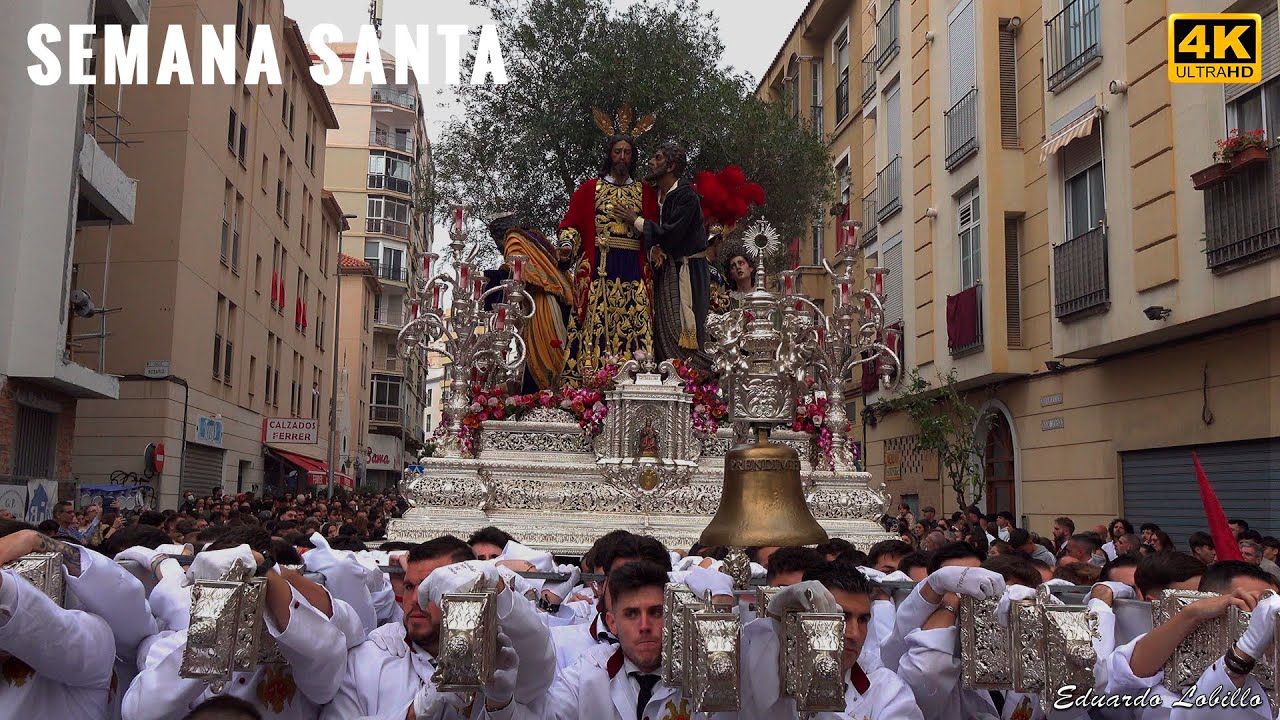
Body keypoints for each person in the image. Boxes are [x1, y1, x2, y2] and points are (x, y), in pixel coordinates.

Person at [321, 537, 551, 719]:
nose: (416, 600)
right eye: (410, 586)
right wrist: (414, 712)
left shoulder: (500, 657)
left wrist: (501, 708)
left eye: (432, 587)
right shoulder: (369, 658)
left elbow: (539, 657)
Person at [558, 134, 659, 385]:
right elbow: (571, 224)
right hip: (600, 269)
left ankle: (638, 382)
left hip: (633, 269)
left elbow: (656, 228)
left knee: (637, 323)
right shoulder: (590, 189)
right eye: (617, 152)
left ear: (633, 157)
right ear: (609, 155)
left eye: (627, 152)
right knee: (595, 325)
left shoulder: (645, 192)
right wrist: (568, 245)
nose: (622, 157)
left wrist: (653, 244)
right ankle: (590, 384)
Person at [616, 140, 709, 368]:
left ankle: (701, 381)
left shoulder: (687, 196)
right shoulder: (655, 195)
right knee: (663, 332)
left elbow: (670, 235)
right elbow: (657, 239)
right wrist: (652, 248)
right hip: (666, 272)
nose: (650, 163)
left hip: (689, 274)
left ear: (670, 166)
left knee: (685, 333)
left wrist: (635, 220)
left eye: (657, 158)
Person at [485, 212, 575, 392]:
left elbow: (517, 272)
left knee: (543, 354)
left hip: (541, 305)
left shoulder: (513, 239)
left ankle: (546, 395)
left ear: (498, 236)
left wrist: (489, 280)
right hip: (553, 301)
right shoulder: (534, 237)